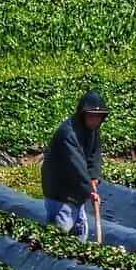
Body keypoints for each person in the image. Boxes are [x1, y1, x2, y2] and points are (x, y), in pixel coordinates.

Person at [41, 91, 109, 241]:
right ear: (82, 115)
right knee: (60, 232)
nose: (94, 121)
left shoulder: (92, 131)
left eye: (98, 117)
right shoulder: (68, 133)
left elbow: (94, 156)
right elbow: (76, 164)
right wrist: (90, 190)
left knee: (80, 229)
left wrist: (94, 177)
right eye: (91, 116)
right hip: (60, 191)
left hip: (77, 191)